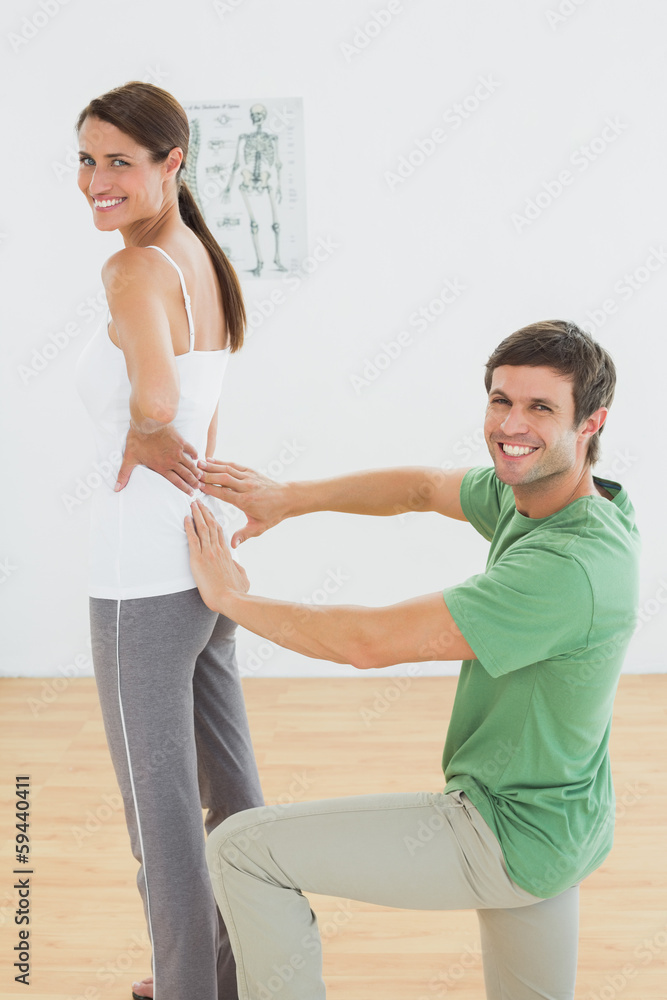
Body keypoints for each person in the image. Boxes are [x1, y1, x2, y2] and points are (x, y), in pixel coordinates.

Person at [182, 320, 640, 1000]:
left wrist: (229, 598)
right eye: (499, 400)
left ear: (590, 423)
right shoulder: (559, 500)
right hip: (562, 827)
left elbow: (368, 644)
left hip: (503, 831)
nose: (510, 424)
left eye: (540, 407)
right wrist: (289, 498)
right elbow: (423, 487)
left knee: (241, 849)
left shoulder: (568, 568)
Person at [73, 81, 264, 1000]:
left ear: (171, 164)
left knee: (160, 817)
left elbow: (159, 402)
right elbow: (204, 409)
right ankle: (251, 972)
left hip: (138, 580)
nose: (96, 180)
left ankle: (189, 989)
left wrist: (143, 435)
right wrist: (196, 490)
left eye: (119, 160)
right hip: (199, 558)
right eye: (86, 158)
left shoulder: (135, 270)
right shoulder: (202, 259)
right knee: (232, 791)